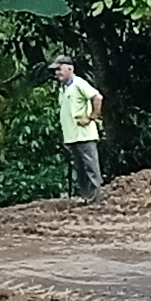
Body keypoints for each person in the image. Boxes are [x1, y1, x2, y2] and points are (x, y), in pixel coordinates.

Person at [51, 54, 105, 201]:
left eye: (59, 69)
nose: (57, 73)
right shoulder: (64, 88)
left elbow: (97, 97)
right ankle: (86, 197)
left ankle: (95, 197)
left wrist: (92, 117)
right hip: (72, 136)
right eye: (56, 70)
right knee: (80, 168)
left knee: (90, 166)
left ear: (70, 69)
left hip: (84, 135)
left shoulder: (79, 83)